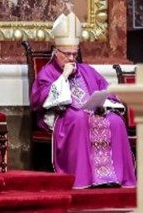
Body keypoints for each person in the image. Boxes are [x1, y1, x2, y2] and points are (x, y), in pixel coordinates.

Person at [30, 12, 136, 188]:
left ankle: (115, 177)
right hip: (64, 116)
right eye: (67, 54)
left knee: (116, 121)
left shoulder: (86, 70)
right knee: (79, 118)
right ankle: (83, 178)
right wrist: (63, 77)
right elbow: (41, 99)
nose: (72, 59)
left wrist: (104, 103)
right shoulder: (47, 73)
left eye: (74, 54)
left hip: (93, 112)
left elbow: (106, 90)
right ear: (56, 52)